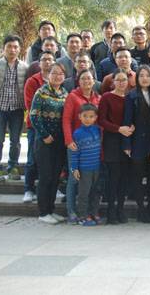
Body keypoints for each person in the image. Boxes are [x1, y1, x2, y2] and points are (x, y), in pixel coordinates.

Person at [0, 35, 29, 181]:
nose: (12, 50)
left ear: (19, 49)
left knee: (15, 140)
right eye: (9, 46)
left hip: (17, 109)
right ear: (3, 49)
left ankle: (13, 166)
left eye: (15, 47)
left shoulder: (25, 67)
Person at [29, 63, 68, 224]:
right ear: (48, 75)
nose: (57, 76)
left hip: (59, 141)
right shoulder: (41, 92)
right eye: (54, 73)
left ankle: (51, 209)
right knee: (45, 176)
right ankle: (43, 212)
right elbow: (34, 115)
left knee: (55, 177)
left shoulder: (65, 93)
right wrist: (45, 135)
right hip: (44, 141)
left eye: (60, 74)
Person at [62, 69, 101, 224]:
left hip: (93, 146)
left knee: (92, 186)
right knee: (74, 179)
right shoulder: (73, 96)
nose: (86, 81)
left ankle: (91, 212)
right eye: (83, 78)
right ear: (78, 81)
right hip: (76, 143)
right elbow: (66, 119)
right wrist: (69, 140)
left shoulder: (98, 97)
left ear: (94, 81)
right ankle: (72, 211)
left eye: (89, 78)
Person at [98, 70, 134, 224]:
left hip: (127, 141)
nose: (121, 83)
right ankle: (111, 211)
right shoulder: (107, 97)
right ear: (113, 82)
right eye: (118, 80)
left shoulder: (130, 98)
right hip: (112, 141)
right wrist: (119, 129)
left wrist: (132, 127)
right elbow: (101, 120)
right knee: (113, 178)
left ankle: (120, 209)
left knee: (124, 179)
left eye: (124, 80)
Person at [123, 65, 150, 223]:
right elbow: (127, 120)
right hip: (137, 142)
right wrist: (127, 144)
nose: (145, 78)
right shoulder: (131, 96)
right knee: (137, 177)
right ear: (137, 78)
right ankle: (141, 209)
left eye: (147, 76)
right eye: (141, 75)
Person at [22, 51, 55, 202]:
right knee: (32, 158)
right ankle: (28, 189)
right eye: (44, 60)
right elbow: (30, 105)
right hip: (35, 126)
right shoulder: (32, 81)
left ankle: (52, 189)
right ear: (39, 63)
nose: (47, 62)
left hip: (54, 128)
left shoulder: (58, 82)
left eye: (50, 59)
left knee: (51, 160)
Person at [70, 104, 102, 227]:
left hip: (97, 168)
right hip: (84, 169)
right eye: (85, 116)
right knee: (84, 193)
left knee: (95, 192)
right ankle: (82, 216)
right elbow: (74, 153)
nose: (88, 119)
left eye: (91, 116)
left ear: (95, 118)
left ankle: (94, 213)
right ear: (79, 117)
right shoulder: (77, 133)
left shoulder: (98, 130)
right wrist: (74, 168)